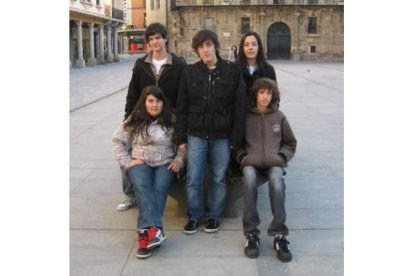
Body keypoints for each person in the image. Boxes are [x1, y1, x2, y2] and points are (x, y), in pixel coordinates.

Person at [176, 29, 246, 235]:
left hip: (222, 136)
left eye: (208, 45)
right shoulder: (190, 72)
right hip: (196, 134)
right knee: (193, 178)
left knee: (218, 178)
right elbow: (182, 106)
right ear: (197, 50)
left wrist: (235, 138)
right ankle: (194, 216)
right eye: (200, 46)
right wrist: (181, 136)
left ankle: (214, 215)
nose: (205, 50)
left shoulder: (232, 71)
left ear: (215, 46)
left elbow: (239, 107)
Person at [116, 22, 186, 211]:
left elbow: (183, 94)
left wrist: (180, 119)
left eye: (158, 38)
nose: (155, 42)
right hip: (142, 115)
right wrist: (127, 117)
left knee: (166, 152)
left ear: (165, 39)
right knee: (129, 150)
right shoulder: (141, 64)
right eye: (151, 39)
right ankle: (130, 195)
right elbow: (133, 92)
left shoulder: (178, 64)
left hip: (168, 117)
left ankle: (160, 186)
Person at [111, 86, 186, 259]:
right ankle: (154, 232)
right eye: (150, 101)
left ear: (163, 103)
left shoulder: (172, 119)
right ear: (144, 102)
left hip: (165, 163)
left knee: (159, 190)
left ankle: (145, 236)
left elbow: (182, 144)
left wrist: (178, 160)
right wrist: (128, 161)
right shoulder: (135, 119)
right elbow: (116, 141)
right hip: (141, 161)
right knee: (143, 187)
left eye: (158, 101)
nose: (154, 105)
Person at [235, 78, 296, 261]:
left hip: (274, 162)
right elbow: (237, 143)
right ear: (256, 95)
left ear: (273, 95)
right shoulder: (246, 117)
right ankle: (251, 234)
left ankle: (279, 234)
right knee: (249, 178)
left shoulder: (280, 116)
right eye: (261, 93)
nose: (265, 97)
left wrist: (283, 157)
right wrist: (242, 157)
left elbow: (290, 142)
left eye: (269, 93)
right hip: (251, 161)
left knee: (277, 182)